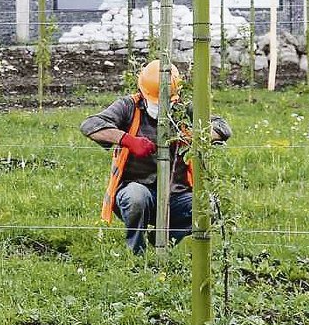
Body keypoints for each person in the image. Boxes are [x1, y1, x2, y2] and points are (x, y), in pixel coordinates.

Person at [80, 61, 231, 253]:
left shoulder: (185, 110)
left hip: (177, 196)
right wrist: (128, 140)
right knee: (136, 197)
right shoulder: (128, 106)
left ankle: (165, 239)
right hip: (137, 191)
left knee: (209, 206)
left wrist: (194, 136)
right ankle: (136, 253)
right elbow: (90, 125)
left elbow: (223, 128)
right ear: (142, 91)